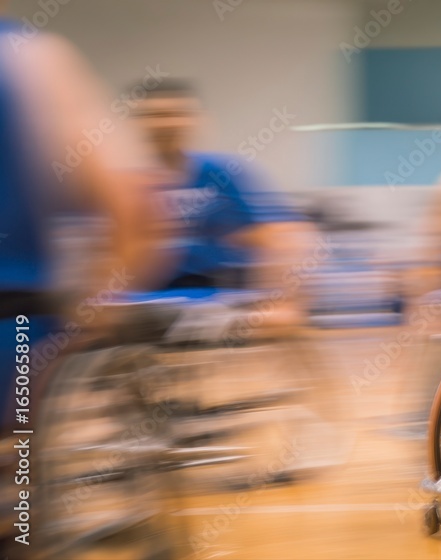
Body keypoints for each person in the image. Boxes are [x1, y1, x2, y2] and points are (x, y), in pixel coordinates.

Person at [0, 11, 164, 551]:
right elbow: (134, 207)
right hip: (17, 334)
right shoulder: (31, 60)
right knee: (24, 509)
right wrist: (97, 310)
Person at [129, 80, 314, 334]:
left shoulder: (224, 174)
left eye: (174, 114)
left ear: (196, 120)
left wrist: (284, 301)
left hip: (215, 300)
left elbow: (283, 236)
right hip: (146, 303)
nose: (165, 124)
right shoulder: (123, 186)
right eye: (153, 115)